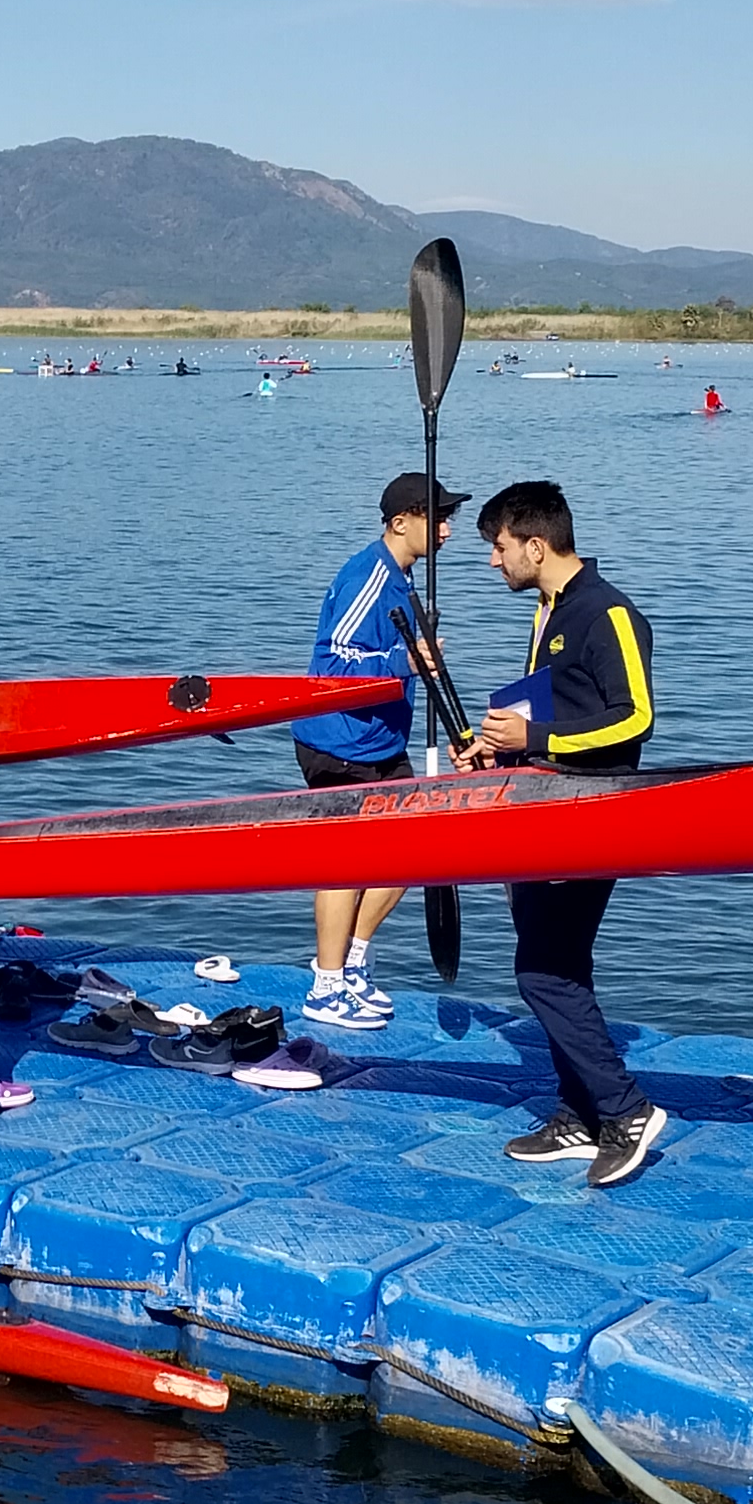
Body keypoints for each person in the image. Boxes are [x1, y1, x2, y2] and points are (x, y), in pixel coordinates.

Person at [467, 481, 668, 1184]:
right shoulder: (551, 609)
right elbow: (546, 705)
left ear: (535, 544)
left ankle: (626, 1109)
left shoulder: (606, 612)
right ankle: (579, 1114)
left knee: (542, 972)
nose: (492, 562)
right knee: (557, 964)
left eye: (497, 548)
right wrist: (494, 741)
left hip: (589, 814)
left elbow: (634, 717)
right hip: (541, 805)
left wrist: (538, 735)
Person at [289, 472, 460, 1032]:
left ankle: (354, 962)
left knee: (418, 848)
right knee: (350, 860)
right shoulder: (367, 575)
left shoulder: (404, 579)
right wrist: (404, 662)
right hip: (339, 741)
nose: (447, 531)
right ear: (400, 522)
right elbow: (331, 666)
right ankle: (326, 985)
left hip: (381, 741)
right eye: (437, 518)